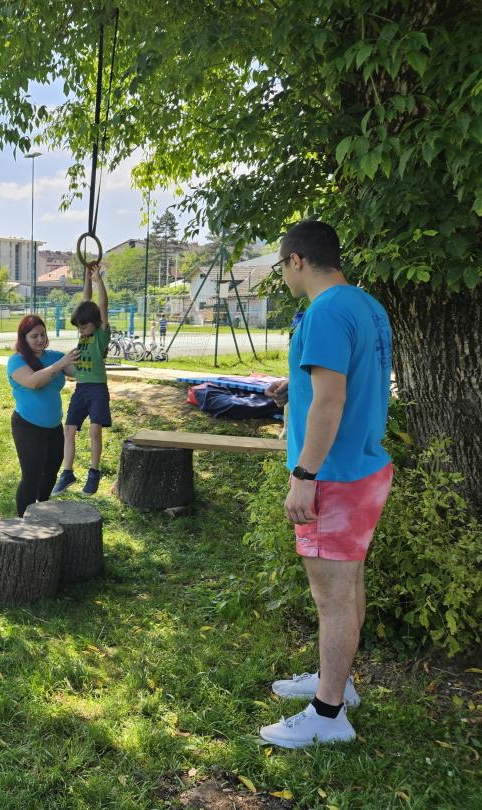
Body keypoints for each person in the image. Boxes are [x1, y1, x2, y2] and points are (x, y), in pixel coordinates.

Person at [259, 220, 393, 749]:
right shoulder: (365, 305)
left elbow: (332, 402)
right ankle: (338, 682)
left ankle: (328, 713)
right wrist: (293, 384)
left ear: (296, 260)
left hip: (333, 477)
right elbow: (342, 380)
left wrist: (304, 476)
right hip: (365, 467)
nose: (284, 276)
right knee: (349, 584)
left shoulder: (323, 312)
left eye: (282, 265)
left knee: (331, 598)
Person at [7, 315, 80, 516]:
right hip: (27, 426)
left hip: (54, 427)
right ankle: (23, 522)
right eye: (34, 336)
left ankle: (41, 511)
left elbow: (79, 372)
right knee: (31, 477)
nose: (40, 340)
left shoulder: (54, 356)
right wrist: (60, 365)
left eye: (43, 335)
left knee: (50, 473)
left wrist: (94, 351)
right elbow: (33, 382)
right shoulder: (16, 361)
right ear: (24, 338)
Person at [52, 261, 111, 495]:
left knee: (95, 430)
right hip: (81, 389)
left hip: (97, 390)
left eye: (83, 327)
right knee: (69, 429)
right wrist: (87, 277)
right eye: (78, 328)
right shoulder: (84, 334)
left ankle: (93, 472)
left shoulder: (99, 336)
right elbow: (86, 301)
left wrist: (99, 281)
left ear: (95, 324)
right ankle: (67, 473)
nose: (80, 331)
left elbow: (102, 304)